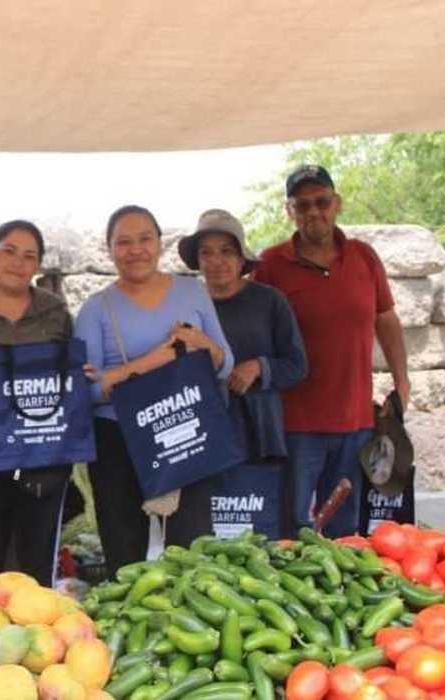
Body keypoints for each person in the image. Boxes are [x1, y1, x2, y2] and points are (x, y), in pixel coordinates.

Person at [253, 165, 410, 537]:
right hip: (295, 426)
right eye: (302, 204)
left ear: (336, 204)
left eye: (321, 201)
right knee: (291, 531)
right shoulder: (271, 264)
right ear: (289, 211)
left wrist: (402, 381)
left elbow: (386, 320)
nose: (313, 212)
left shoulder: (364, 257)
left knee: (346, 530)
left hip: (355, 423)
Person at [74, 205, 232, 573]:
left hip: (186, 434)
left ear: (160, 244)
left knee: (190, 551)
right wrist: (156, 359)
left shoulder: (192, 291)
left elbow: (225, 364)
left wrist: (200, 342)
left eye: (145, 239)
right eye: (124, 242)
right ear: (110, 249)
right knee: (124, 552)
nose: (136, 250)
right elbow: (88, 391)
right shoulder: (96, 309)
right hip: (119, 440)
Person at [0, 220, 74, 599]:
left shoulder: (54, 311)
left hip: (44, 446)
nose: (18, 263)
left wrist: (76, 374)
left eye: (29, 256)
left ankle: (39, 625)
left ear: (38, 265)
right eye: (9, 251)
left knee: (37, 548)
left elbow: (69, 370)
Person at [178, 209, 308, 537]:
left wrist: (259, 367)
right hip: (200, 438)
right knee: (206, 536)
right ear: (196, 260)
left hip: (259, 436)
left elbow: (297, 365)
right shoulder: (183, 305)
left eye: (226, 251)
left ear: (241, 259)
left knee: (258, 532)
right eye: (206, 252)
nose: (216, 261)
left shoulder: (269, 302)